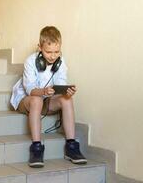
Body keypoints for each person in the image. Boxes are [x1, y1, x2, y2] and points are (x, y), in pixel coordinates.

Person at [10, 26, 87, 168]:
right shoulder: (30, 61)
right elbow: (29, 90)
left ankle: (71, 147)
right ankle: (37, 148)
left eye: (56, 52)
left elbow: (59, 85)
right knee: (36, 100)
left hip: (46, 100)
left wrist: (65, 92)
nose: (53, 56)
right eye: (48, 52)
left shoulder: (61, 62)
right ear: (40, 47)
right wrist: (44, 91)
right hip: (26, 99)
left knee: (67, 99)